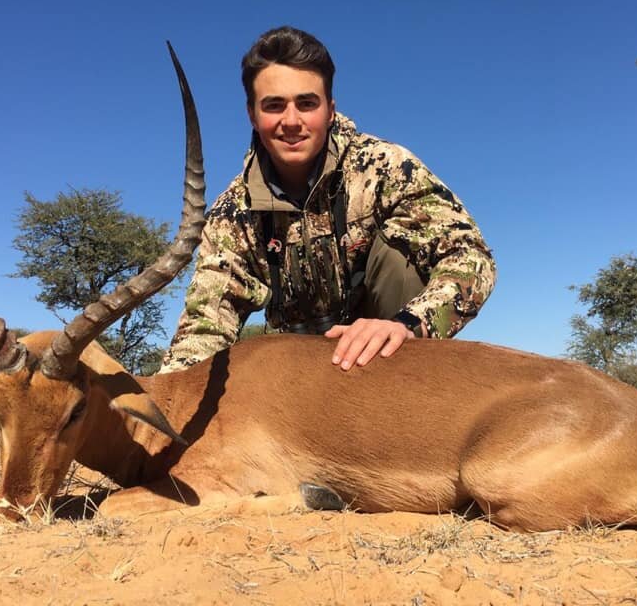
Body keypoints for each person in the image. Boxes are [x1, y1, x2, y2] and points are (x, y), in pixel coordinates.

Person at [160, 26, 496, 374]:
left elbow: (471, 257)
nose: (291, 121)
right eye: (274, 106)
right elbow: (206, 323)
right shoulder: (233, 213)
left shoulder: (384, 167)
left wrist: (408, 323)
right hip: (304, 375)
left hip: (393, 352)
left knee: (399, 259)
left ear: (330, 110)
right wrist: (168, 395)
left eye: (306, 104)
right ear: (252, 115)